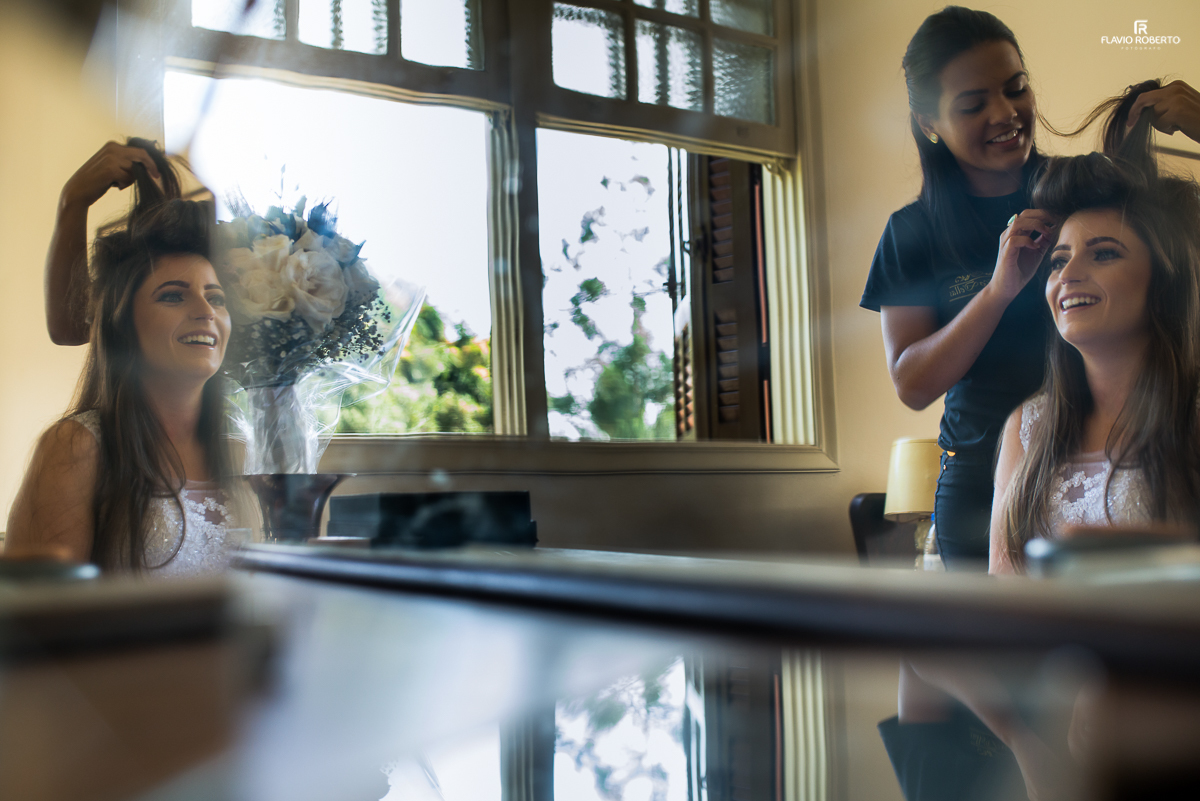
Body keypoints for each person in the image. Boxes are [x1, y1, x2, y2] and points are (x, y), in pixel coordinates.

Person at [860, 6, 1200, 569]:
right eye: (972, 104)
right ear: (928, 123)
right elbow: (913, 384)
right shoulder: (913, 231)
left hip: (1120, 449)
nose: (1004, 113)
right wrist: (998, 289)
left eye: (1015, 88)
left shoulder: (1076, 194)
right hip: (985, 475)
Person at [990, 82, 1200, 575]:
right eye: (1058, 260)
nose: (1068, 275)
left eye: (1104, 253)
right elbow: (1004, 594)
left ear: (1162, 280)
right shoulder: (1028, 427)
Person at [6, 147, 242, 574]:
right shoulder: (77, 449)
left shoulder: (244, 451)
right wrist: (72, 203)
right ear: (122, 325)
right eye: (172, 295)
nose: (206, 311)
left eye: (217, 297)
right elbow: (41, 625)